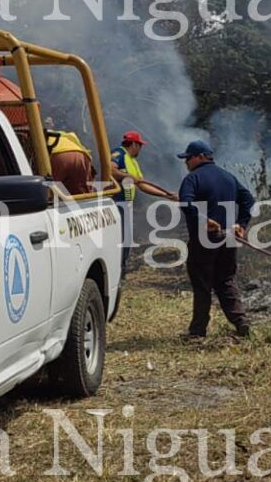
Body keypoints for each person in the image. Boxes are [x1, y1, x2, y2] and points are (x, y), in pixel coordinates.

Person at [176, 140, 255, 338]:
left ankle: (197, 331)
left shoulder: (192, 179)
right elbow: (249, 200)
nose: (186, 163)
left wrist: (203, 220)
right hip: (228, 238)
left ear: (201, 157)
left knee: (202, 283)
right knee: (225, 280)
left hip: (204, 240)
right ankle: (241, 322)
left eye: (189, 158)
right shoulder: (228, 177)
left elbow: (185, 204)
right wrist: (241, 224)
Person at [109, 131, 176, 273]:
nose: (141, 149)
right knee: (120, 239)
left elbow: (141, 184)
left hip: (126, 205)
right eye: (140, 145)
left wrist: (166, 195)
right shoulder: (118, 153)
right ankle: (117, 270)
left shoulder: (132, 161)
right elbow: (110, 169)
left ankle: (121, 268)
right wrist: (128, 176)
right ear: (133, 144)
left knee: (126, 239)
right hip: (116, 203)